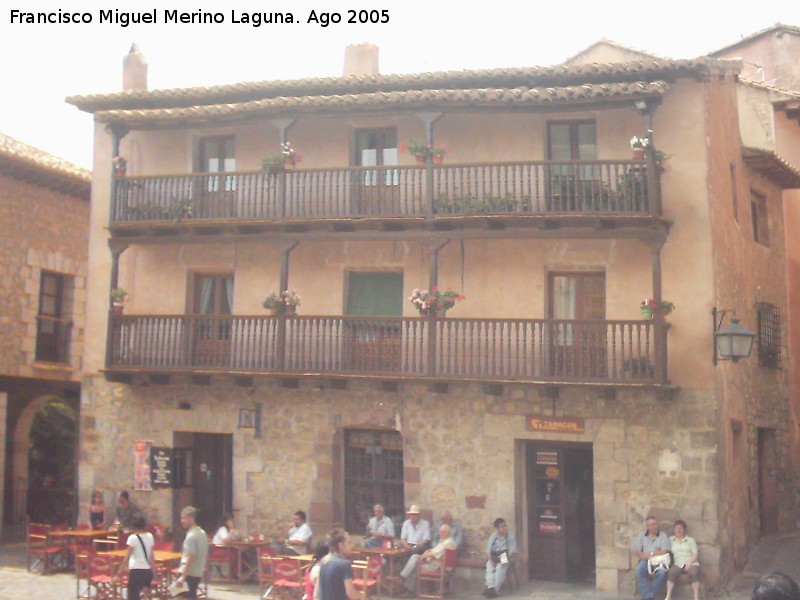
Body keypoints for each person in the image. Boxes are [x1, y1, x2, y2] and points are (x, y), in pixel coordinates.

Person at [393, 523, 457, 596]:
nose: (440, 534)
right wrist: (427, 553)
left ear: (447, 533)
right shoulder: (449, 541)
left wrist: (423, 556)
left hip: (438, 568)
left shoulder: (446, 543)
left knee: (414, 566)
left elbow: (433, 554)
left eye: (442, 532)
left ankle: (407, 589)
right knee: (415, 559)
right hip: (439, 566)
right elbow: (435, 551)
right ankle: (404, 586)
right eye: (439, 532)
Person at [113, 516, 155, 600]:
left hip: (136, 570)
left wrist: (118, 573)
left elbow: (127, 558)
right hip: (147, 570)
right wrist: (154, 571)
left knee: (133, 596)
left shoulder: (133, 538)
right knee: (145, 597)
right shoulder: (150, 536)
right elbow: (151, 556)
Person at [633, 516, 671, 600]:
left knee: (661, 573)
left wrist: (652, 553)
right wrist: (643, 556)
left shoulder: (663, 535)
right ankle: (649, 595)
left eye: (656, 524)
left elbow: (665, 550)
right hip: (645, 560)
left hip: (659, 560)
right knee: (639, 570)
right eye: (653, 524)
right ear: (648, 526)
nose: (656, 526)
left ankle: (649, 595)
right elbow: (638, 549)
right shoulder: (642, 535)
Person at [175, 506, 209, 599]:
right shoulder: (202, 533)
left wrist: (182, 576)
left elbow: (191, 556)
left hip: (188, 573)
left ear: (191, 518)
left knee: (182, 597)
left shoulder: (191, 536)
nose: (182, 521)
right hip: (197, 572)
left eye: (184, 518)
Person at [316, 529, 359, 600]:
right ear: (341, 545)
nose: (352, 545)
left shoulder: (323, 561)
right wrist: (362, 596)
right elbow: (350, 593)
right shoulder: (344, 564)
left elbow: (317, 593)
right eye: (349, 542)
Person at [665, 520, 700, 600]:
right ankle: (668, 596)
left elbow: (695, 554)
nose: (678, 530)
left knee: (694, 572)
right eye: (676, 528)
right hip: (677, 563)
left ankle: (696, 597)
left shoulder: (691, 540)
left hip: (691, 562)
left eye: (680, 528)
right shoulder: (670, 540)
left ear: (684, 530)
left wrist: (690, 563)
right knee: (671, 572)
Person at [484, 517, 517, 598]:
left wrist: (502, 559)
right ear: (497, 528)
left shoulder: (510, 537)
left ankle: (495, 590)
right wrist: (491, 560)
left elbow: (512, 551)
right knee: (489, 566)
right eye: (502, 526)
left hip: (506, 556)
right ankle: (490, 587)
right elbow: (488, 549)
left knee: (500, 567)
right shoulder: (493, 536)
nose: (504, 528)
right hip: (495, 555)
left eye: (505, 525)